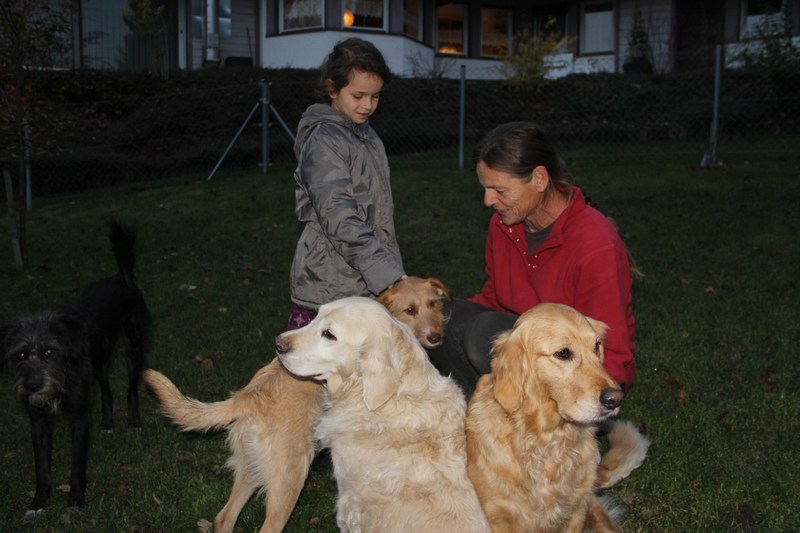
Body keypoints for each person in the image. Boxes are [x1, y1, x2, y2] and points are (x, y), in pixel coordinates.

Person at [427, 121, 636, 397]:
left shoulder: (595, 242)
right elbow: (495, 298)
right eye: (485, 189)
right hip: (529, 344)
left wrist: (599, 396)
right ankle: (479, 406)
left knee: (483, 334)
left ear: (539, 179)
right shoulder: (502, 226)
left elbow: (611, 344)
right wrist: (433, 312)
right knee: (439, 316)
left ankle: (528, 414)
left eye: (500, 191)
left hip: (577, 374)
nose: (488, 200)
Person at [287, 37, 405, 331]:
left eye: (375, 97)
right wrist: (384, 272)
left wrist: (385, 266)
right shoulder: (324, 141)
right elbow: (339, 216)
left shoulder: (367, 136)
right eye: (358, 95)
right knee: (315, 356)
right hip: (327, 282)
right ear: (332, 88)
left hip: (366, 276)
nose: (368, 105)